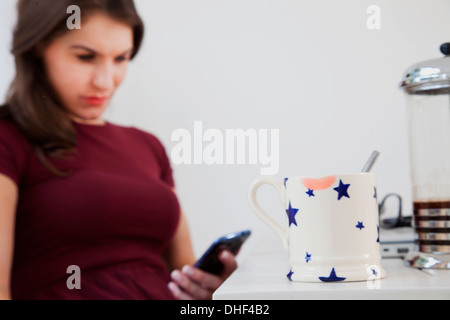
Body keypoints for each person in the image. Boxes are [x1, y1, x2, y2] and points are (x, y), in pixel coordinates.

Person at [0, 0, 237, 300]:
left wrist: (210, 289)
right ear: (38, 46)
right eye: (85, 57)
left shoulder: (148, 146)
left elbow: (183, 271)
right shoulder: (9, 138)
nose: (105, 81)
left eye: (121, 58)